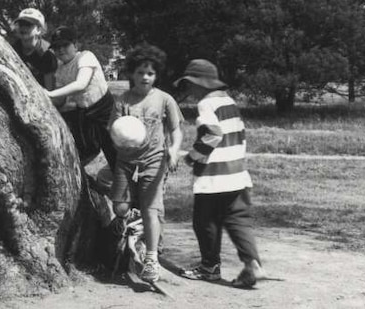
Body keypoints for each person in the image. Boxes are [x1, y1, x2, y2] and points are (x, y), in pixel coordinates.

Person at [173, 59, 266, 288]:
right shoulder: (228, 100)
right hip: (237, 173)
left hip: (214, 177)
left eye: (189, 84)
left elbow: (213, 135)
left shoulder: (206, 104)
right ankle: (251, 263)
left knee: (205, 222)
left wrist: (192, 156)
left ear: (200, 83)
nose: (189, 90)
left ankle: (209, 267)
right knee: (238, 220)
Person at [110, 44, 183, 283]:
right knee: (120, 208)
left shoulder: (164, 100)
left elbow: (176, 130)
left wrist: (173, 150)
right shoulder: (123, 100)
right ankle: (136, 228)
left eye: (150, 73)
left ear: (156, 75)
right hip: (125, 161)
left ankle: (151, 258)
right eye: (140, 72)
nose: (145, 77)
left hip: (154, 160)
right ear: (131, 73)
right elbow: (114, 129)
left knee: (151, 207)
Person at [45, 27, 116, 168]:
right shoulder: (60, 69)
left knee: (114, 151)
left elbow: (81, 84)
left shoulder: (85, 56)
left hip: (105, 110)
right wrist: (45, 101)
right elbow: (61, 99)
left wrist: (50, 93)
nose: (60, 50)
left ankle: (130, 184)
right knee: (84, 150)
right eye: (56, 47)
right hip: (85, 113)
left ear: (75, 45)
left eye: (65, 45)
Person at [9, 8, 57, 89]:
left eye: (28, 25)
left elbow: (50, 88)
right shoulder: (13, 48)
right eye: (21, 24)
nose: (23, 28)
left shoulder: (47, 54)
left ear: (39, 29)